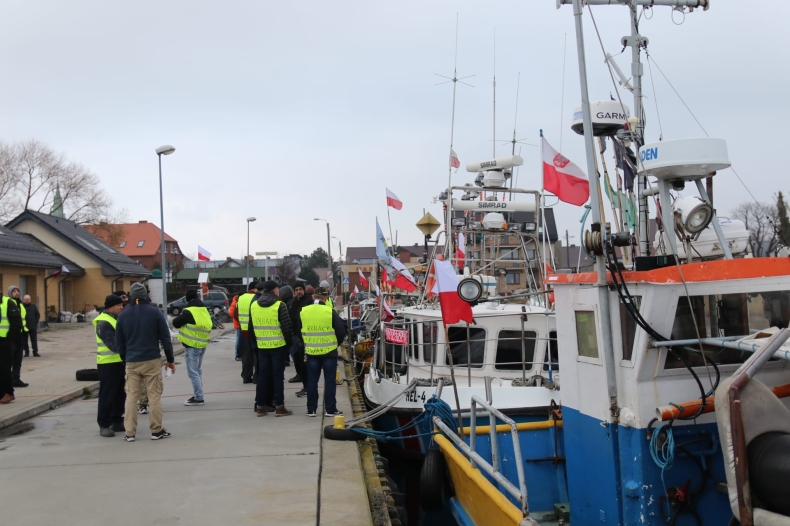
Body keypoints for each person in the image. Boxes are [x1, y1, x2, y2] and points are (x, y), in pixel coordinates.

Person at [116, 282, 175, 442]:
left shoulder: (123, 315)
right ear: (145, 295)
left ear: (131, 296)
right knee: (154, 395)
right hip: (151, 359)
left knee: (131, 397)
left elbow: (119, 342)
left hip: (132, 360)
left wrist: (125, 359)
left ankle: (129, 432)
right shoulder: (155, 312)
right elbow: (165, 338)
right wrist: (170, 360)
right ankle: (156, 430)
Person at [296, 286, 346, 417]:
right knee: (329, 381)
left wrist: (307, 342)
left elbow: (298, 330)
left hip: (312, 352)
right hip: (329, 352)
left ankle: (311, 409)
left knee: (312, 381)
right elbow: (341, 331)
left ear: (313, 297)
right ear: (326, 298)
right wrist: (335, 344)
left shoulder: (303, 311)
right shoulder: (330, 311)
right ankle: (330, 409)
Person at [250, 280, 293, 417]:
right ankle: (280, 406)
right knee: (278, 376)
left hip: (262, 346)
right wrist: (288, 344)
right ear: (274, 291)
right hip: (278, 346)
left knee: (262, 376)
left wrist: (257, 342)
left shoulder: (254, 305)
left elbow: (250, 328)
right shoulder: (280, 305)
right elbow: (287, 328)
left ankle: (261, 407)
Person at [172, 289, 212, 406]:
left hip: (192, 345)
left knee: (193, 372)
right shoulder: (203, 309)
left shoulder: (188, 311)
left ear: (187, 299)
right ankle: (197, 394)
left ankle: (198, 397)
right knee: (198, 371)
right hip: (202, 344)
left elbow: (176, 323)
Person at [94, 294, 126, 437]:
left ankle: (117, 420)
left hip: (119, 362)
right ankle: (104, 424)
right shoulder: (103, 322)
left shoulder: (117, 319)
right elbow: (113, 344)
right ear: (110, 307)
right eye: (119, 305)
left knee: (120, 393)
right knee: (107, 394)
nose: (121, 307)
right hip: (107, 364)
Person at [288, 283, 312, 397]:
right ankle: (304, 385)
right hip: (295, 337)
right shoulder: (293, 302)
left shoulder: (308, 301)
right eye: (296, 289)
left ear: (304, 290)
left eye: (300, 289)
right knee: (297, 363)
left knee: (303, 363)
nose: (298, 291)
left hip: (304, 337)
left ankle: (308, 387)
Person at [0, 290, 23, 404]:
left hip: (5, 341)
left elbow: (16, 322)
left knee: (4, 368)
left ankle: (8, 393)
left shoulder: (8, 302)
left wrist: (10, 338)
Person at [234, 282, 258, 384]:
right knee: (256, 355)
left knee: (246, 355)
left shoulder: (241, 298)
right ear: (255, 289)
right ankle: (257, 377)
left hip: (244, 330)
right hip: (255, 330)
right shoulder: (257, 298)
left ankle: (246, 376)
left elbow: (235, 314)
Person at [8, 286, 28, 388]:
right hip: (11, 336)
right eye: (14, 291)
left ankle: (16, 379)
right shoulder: (9, 304)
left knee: (18, 359)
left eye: (17, 291)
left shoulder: (20, 303)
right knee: (10, 360)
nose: (17, 293)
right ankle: (8, 380)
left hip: (21, 334)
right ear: (10, 293)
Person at [229, 294, 241, 361]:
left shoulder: (235, 301)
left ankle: (238, 354)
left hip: (238, 324)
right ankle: (237, 355)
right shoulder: (235, 302)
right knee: (239, 339)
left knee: (239, 339)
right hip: (238, 324)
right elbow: (231, 313)